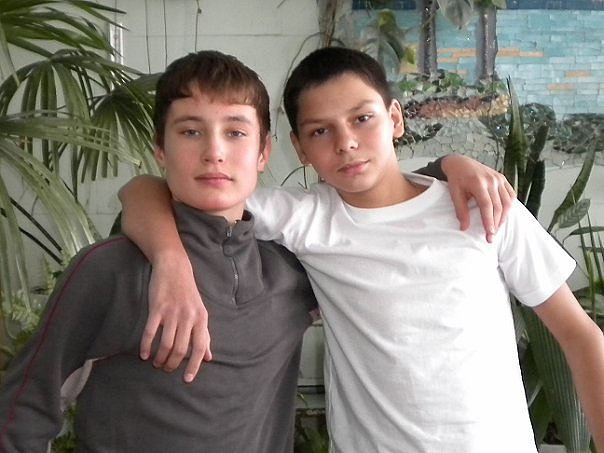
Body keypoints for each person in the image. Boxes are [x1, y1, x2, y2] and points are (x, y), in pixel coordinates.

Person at [118, 46, 604, 453]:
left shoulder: (484, 208)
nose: (347, 143)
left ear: (395, 118)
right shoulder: (307, 219)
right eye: (321, 131)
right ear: (299, 148)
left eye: (362, 119)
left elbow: (580, 336)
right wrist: (170, 263)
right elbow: (145, 190)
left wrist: (450, 162)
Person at [0, 50, 319, 453]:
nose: (214, 152)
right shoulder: (111, 271)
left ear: (263, 153)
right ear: (160, 149)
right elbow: (22, 413)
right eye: (191, 131)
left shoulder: (293, 274)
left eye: (236, 132)